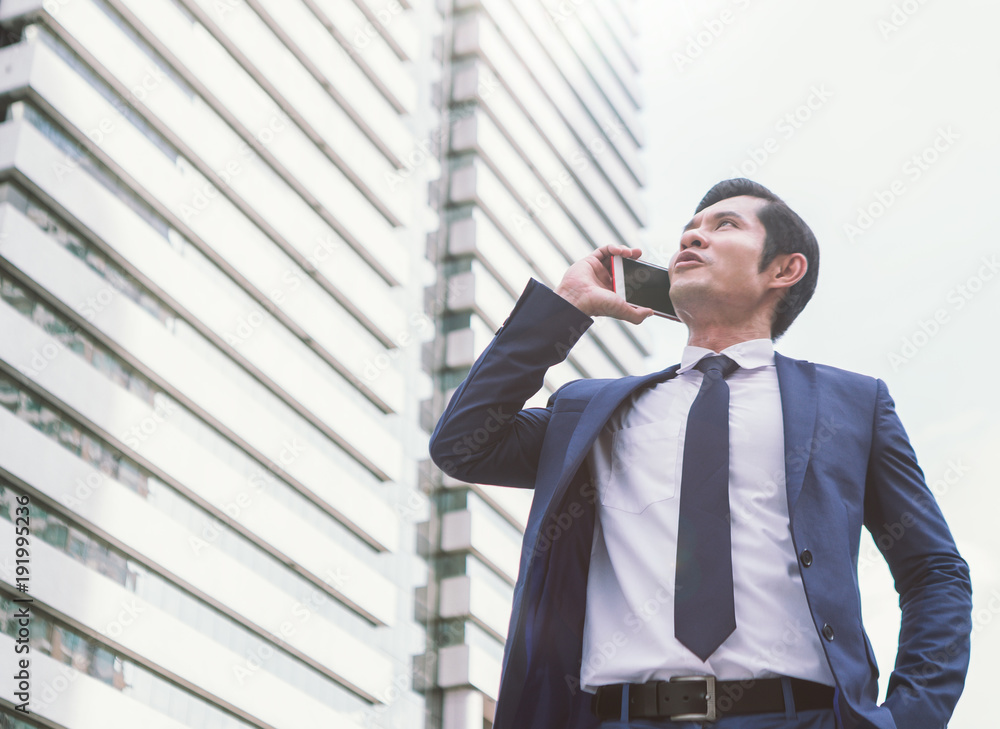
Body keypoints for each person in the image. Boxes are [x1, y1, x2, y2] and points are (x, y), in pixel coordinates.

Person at [429, 179, 971, 729]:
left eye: (724, 225)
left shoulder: (851, 404)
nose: (693, 236)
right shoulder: (593, 412)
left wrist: (909, 719)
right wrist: (566, 309)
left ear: (785, 270)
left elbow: (935, 571)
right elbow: (464, 444)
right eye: (690, 228)